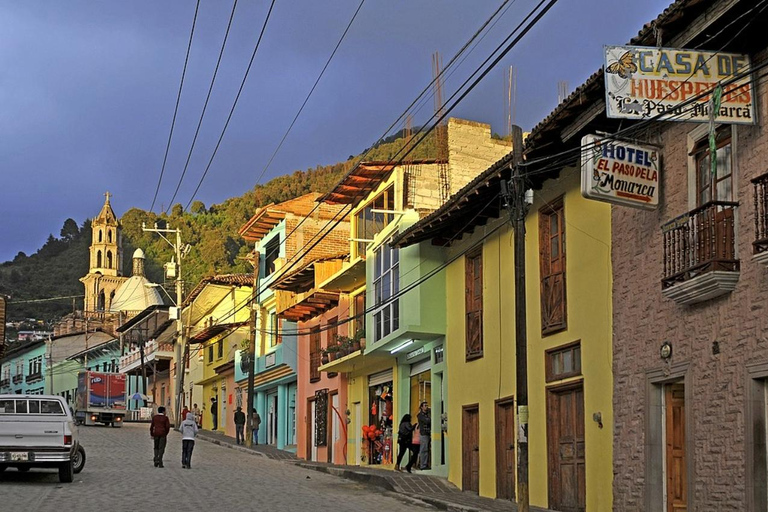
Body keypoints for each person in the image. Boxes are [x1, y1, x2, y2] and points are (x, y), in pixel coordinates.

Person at [417, 401, 431, 470]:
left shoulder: (428, 414)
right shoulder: (420, 415)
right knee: (424, 449)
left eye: (427, 405)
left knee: (427, 449)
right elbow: (427, 421)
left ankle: (425, 463)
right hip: (424, 434)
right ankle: (423, 465)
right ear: (422, 407)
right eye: (425, 405)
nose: (426, 407)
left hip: (428, 433)